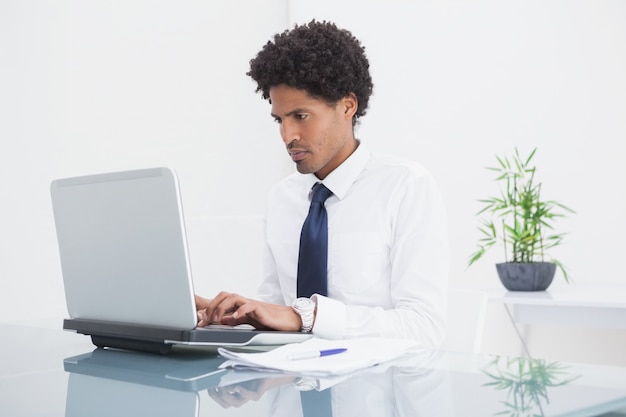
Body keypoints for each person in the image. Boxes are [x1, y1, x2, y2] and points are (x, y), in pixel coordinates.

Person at [196, 20, 449, 348]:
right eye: (280, 120)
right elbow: (276, 313)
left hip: (373, 388)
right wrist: (231, 321)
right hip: (289, 388)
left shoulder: (406, 186)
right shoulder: (282, 197)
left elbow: (424, 326)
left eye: (300, 116)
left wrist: (309, 315)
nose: (288, 136)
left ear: (347, 105)